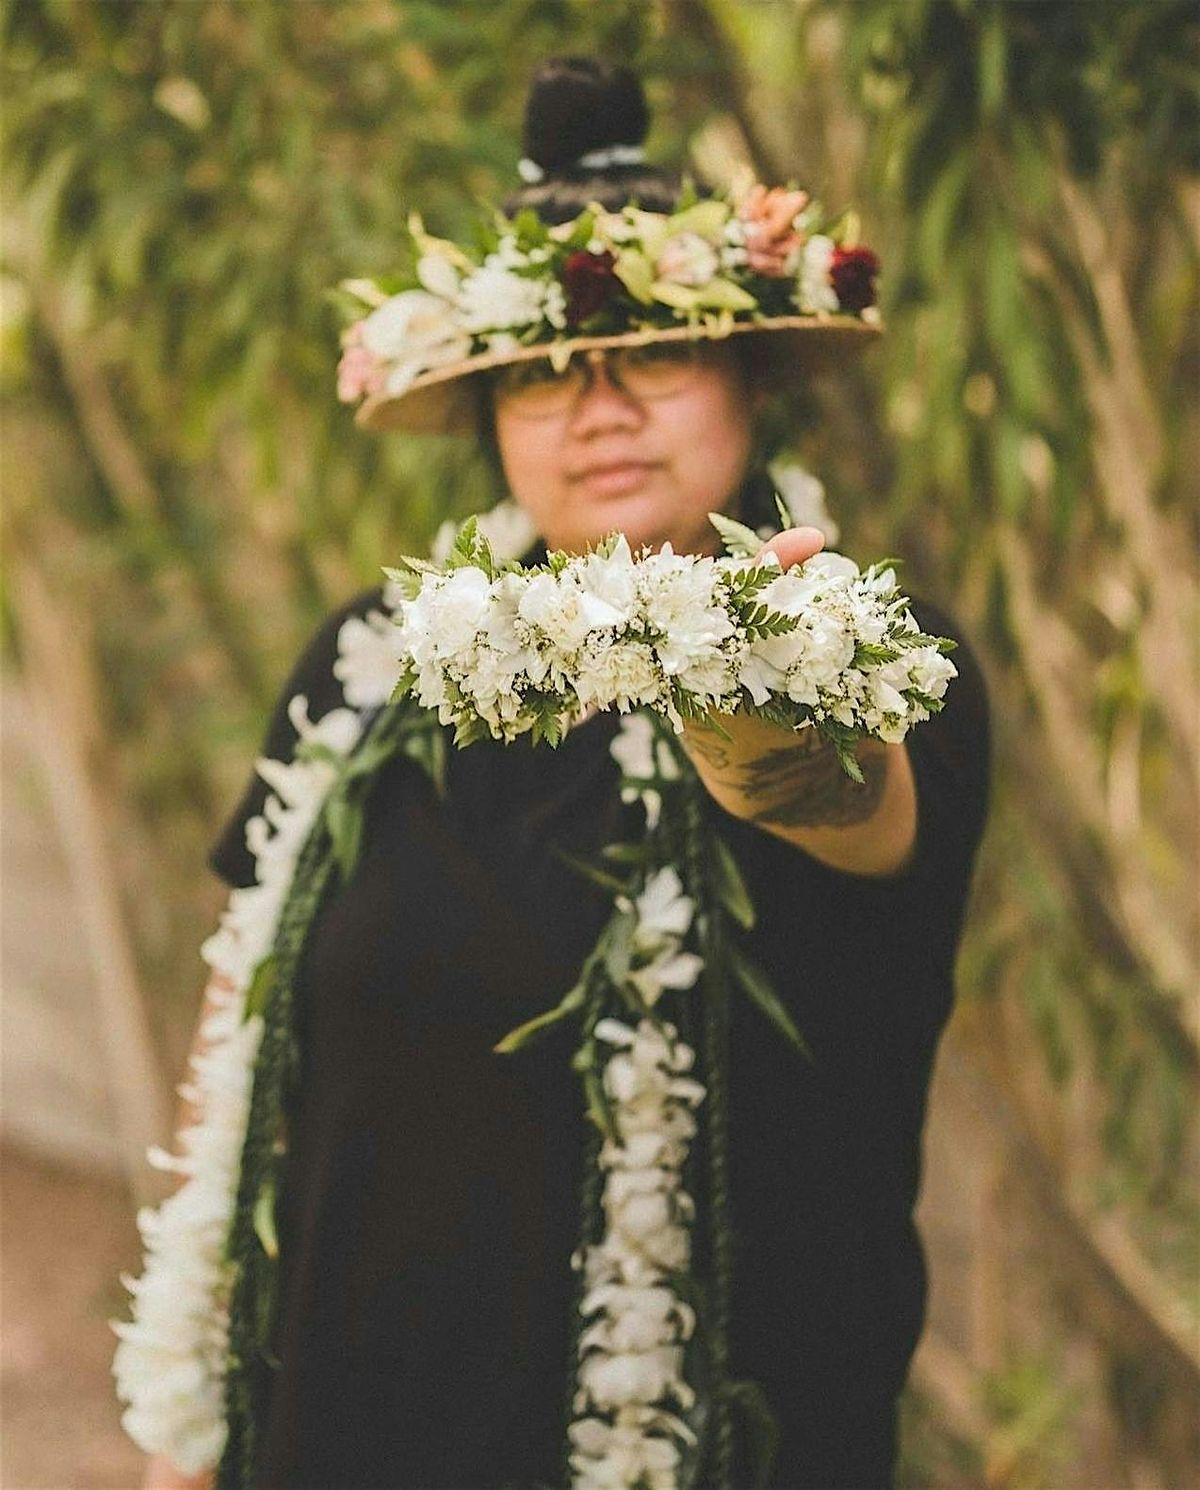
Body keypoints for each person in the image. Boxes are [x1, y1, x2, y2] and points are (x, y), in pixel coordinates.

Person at [137, 55, 989, 1490]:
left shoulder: (859, 646)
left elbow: (831, 790)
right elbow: (244, 1040)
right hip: (330, 1435)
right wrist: (175, 1448)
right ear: (491, 417)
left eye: (653, 348)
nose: (596, 405)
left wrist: (759, 690)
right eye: (540, 370)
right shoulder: (370, 654)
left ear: (748, 370)